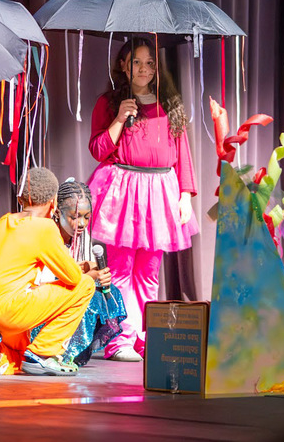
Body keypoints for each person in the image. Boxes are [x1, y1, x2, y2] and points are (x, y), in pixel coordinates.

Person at [87, 37, 198, 362]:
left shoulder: (169, 104)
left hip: (159, 190)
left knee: (149, 272)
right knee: (119, 270)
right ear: (124, 65)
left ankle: (143, 337)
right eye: (137, 62)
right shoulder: (109, 103)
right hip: (124, 188)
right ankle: (119, 338)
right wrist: (120, 118)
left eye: (150, 62)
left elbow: (183, 154)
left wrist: (185, 195)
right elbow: (97, 150)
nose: (145, 69)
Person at [0, 167, 102, 376]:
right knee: (84, 286)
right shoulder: (45, 228)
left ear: (21, 198)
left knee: (20, 356)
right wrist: (89, 274)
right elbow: (73, 279)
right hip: (10, 312)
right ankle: (43, 355)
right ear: (53, 202)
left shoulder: (4, 221)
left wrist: (81, 266)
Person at [30, 178, 126, 366]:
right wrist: (87, 277)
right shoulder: (46, 234)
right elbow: (41, 282)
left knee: (108, 293)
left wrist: (100, 276)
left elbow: (83, 271)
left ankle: (71, 351)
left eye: (86, 217)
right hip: (37, 303)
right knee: (86, 289)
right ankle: (47, 350)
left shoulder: (81, 237)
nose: (81, 223)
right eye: (74, 217)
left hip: (65, 293)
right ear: (58, 213)